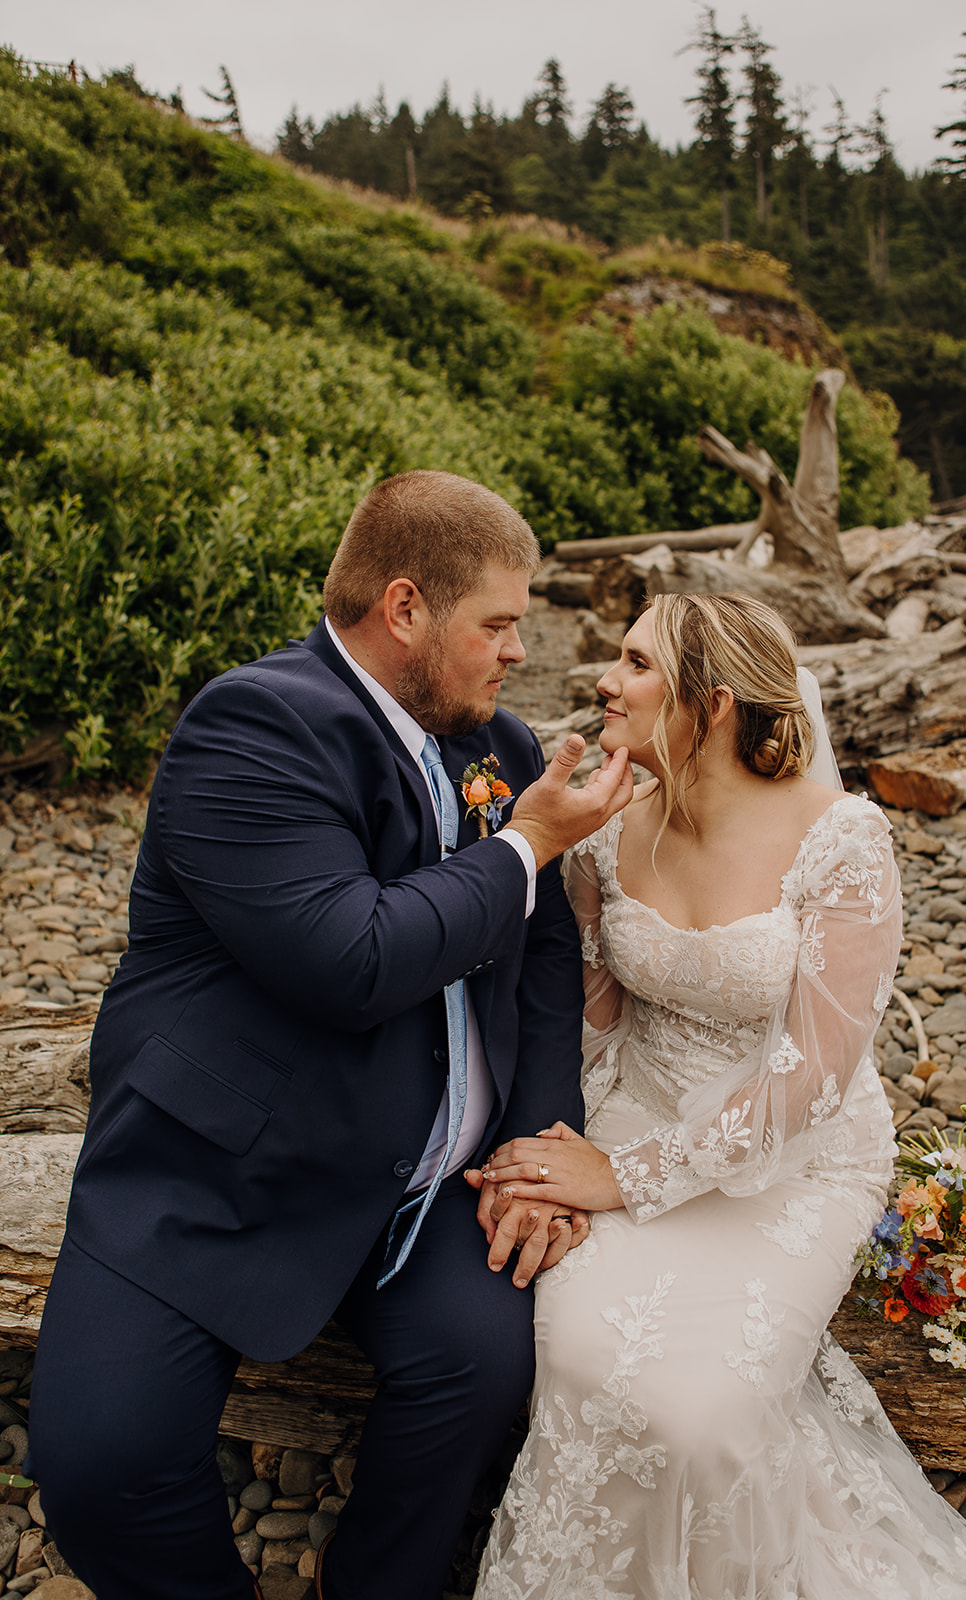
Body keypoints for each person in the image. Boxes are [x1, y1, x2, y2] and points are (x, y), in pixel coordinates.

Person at [27, 470, 633, 1600]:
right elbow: (350, 957)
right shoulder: (255, 724)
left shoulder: (491, 739)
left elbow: (544, 958)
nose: (517, 651)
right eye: (496, 624)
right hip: (223, 1168)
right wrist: (523, 845)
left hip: (428, 1187)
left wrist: (541, 1138)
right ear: (403, 609)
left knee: (476, 1367)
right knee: (101, 1464)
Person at [472, 592, 966, 1600]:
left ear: (711, 701)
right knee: (590, 1358)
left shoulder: (843, 840)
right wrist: (555, 1161)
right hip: (634, 1111)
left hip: (796, 1158)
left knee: (705, 1409)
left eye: (635, 664)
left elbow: (814, 1073)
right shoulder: (603, 832)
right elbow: (594, 1029)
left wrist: (624, 1177)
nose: (604, 678)